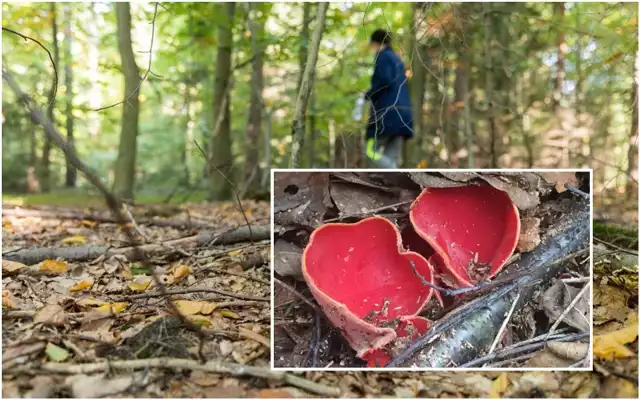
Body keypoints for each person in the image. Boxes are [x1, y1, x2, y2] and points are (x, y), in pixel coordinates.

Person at [363, 29, 413, 168]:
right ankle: (394, 179)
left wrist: (368, 94)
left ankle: (395, 171)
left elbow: (385, 80)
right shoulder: (398, 60)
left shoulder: (383, 57)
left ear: (375, 43)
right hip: (404, 115)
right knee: (391, 157)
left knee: (370, 151)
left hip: (387, 115)